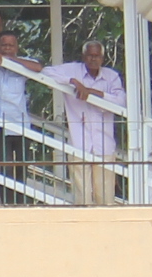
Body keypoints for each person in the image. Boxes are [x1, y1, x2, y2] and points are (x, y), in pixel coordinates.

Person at [47, 33, 127, 204]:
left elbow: (121, 102)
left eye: (97, 56)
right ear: (84, 57)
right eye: (90, 55)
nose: (93, 59)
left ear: (102, 58)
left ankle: (105, 229)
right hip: (79, 143)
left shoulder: (111, 76)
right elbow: (46, 72)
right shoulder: (73, 70)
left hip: (104, 144)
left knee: (105, 197)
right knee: (82, 196)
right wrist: (73, 81)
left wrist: (92, 92)